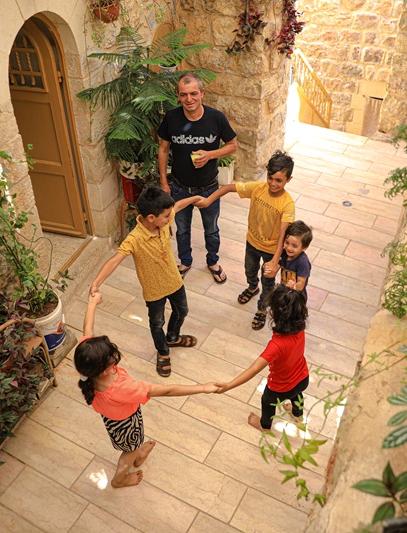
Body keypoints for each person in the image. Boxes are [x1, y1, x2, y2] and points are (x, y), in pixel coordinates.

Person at [74, 292, 217, 488]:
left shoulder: (85, 361)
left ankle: (138, 452)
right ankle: (119, 478)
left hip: (112, 419)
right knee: (129, 450)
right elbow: (167, 391)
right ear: (106, 369)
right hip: (126, 423)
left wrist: (92, 303)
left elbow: (87, 329)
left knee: (133, 445)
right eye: (112, 358)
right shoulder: (122, 389)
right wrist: (202, 388)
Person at [89, 186, 202, 377]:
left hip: (174, 281)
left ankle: (173, 337)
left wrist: (195, 198)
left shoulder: (163, 220)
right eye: (166, 216)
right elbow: (115, 260)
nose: (170, 218)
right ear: (151, 218)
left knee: (182, 311)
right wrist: (97, 282)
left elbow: (177, 207)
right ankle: (163, 352)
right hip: (153, 291)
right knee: (157, 323)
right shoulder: (135, 239)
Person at [196, 150, 296, 330]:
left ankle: (262, 309)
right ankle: (252, 287)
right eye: (270, 178)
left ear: (288, 180)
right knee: (249, 270)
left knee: (268, 283)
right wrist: (208, 200)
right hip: (252, 242)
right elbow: (229, 187)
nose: (273, 183)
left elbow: (283, 235)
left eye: (279, 180)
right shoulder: (258, 188)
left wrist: (275, 261)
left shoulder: (287, 204)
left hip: (272, 251)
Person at [158, 72, 238, 284]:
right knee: (182, 229)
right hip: (179, 188)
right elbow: (163, 149)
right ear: (178, 96)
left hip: (209, 188)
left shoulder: (216, 118)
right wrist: (164, 182)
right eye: (184, 94)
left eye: (193, 93)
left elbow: (232, 146)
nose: (189, 99)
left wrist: (210, 155)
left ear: (202, 93)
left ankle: (213, 262)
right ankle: (185, 262)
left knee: (211, 230)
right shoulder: (171, 118)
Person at [214, 285, 309, 432]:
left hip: (280, 389)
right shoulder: (300, 327)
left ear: (272, 313)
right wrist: (291, 291)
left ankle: (264, 426)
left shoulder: (276, 345)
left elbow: (254, 368)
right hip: (303, 378)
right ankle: (298, 415)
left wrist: (229, 385)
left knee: (267, 403)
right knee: (297, 394)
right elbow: (293, 302)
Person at [275, 221, 312, 302]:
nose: (289, 248)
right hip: (284, 292)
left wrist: (294, 286)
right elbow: (277, 265)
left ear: (304, 247)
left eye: (294, 246)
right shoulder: (284, 253)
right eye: (287, 242)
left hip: (296, 297)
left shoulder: (303, 263)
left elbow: (301, 283)